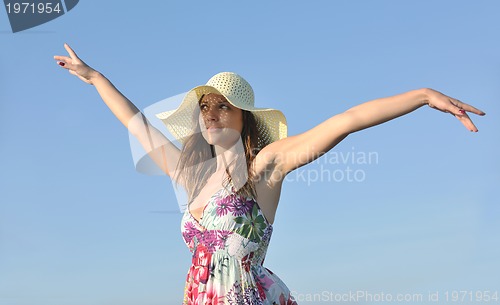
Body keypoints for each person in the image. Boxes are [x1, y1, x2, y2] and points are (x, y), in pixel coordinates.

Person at [54, 43, 485, 305]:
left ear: (245, 117)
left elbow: (345, 120)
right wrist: (93, 77)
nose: (212, 115)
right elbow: (137, 125)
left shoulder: (265, 165)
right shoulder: (189, 174)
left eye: (223, 106)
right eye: (205, 107)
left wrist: (424, 95)